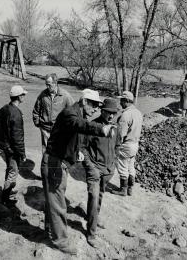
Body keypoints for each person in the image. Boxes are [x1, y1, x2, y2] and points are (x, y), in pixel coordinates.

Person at [41, 89, 116, 255]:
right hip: (54, 162)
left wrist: (77, 152)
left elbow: (72, 135)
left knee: (53, 199)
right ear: (84, 101)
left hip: (59, 161)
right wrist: (102, 129)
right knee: (59, 204)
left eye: (98, 106)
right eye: (94, 105)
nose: (96, 109)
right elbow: (80, 125)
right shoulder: (71, 114)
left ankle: (49, 227)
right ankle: (60, 241)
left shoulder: (77, 114)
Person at [80, 98, 119, 248]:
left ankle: (94, 218)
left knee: (100, 196)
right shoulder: (92, 126)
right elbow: (82, 148)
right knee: (94, 197)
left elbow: (118, 146)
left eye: (113, 114)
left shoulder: (115, 128)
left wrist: (113, 164)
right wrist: (91, 168)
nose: (111, 116)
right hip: (95, 169)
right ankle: (91, 234)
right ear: (102, 111)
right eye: (108, 113)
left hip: (107, 170)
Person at [0, 85, 28, 206]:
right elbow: (18, 138)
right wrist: (22, 153)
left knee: (10, 169)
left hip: (5, 146)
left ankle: (8, 192)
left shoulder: (4, 108)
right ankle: (5, 198)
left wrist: (3, 145)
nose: (24, 96)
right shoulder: (16, 114)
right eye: (23, 94)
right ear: (18, 97)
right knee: (13, 172)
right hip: (12, 149)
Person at [32, 73, 74, 153]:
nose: (47, 87)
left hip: (59, 130)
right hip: (45, 129)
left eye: (49, 85)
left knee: (58, 153)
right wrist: (38, 124)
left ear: (55, 83)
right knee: (45, 153)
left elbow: (73, 112)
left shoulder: (65, 95)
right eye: (46, 84)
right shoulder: (42, 95)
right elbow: (36, 111)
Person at [112, 91, 143, 197]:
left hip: (126, 144)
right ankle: (130, 189)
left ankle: (123, 190)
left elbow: (121, 134)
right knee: (131, 166)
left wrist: (116, 146)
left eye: (122, 100)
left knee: (122, 166)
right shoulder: (138, 112)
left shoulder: (125, 115)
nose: (120, 102)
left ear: (126, 101)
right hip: (135, 143)